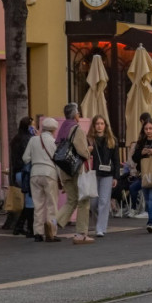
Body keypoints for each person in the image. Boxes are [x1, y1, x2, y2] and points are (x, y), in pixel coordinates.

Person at [55, 103, 95, 244]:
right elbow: (82, 151)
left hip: (65, 169)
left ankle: (54, 222)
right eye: (78, 112)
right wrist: (89, 149)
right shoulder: (76, 129)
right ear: (75, 114)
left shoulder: (61, 129)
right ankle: (81, 234)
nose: (79, 115)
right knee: (83, 200)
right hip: (77, 169)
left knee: (71, 200)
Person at [23, 117, 60, 242]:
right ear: (54, 130)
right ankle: (51, 232)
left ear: (42, 128)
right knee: (52, 205)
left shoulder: (33, 140)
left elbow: (25, 158)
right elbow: (58, 162)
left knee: (38, 205)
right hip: (50, 174)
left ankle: (38, 233)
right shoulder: (54, 142)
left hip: (35, 173)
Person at [88, 115, 119, 238]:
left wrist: (116, 177)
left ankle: (101, 228)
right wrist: (88, 150)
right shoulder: (90, 140)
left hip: (107, 174)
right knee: (93, 203)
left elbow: (116, 160)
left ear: (105, 126)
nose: (99, 126)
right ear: (94, 126)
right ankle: (97, 225)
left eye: (102, 123)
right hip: (93, 173)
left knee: (104, 201)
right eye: (97, 124)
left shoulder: (111, 140)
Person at [10, 117, 35, 236]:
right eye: (33, 124)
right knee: (30, 201)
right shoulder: (29, 139)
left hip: (17, 173)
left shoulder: (15, 139)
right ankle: (30, 228)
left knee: (28, 201)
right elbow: (29, 157)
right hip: (26, 173)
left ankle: (19, 226)